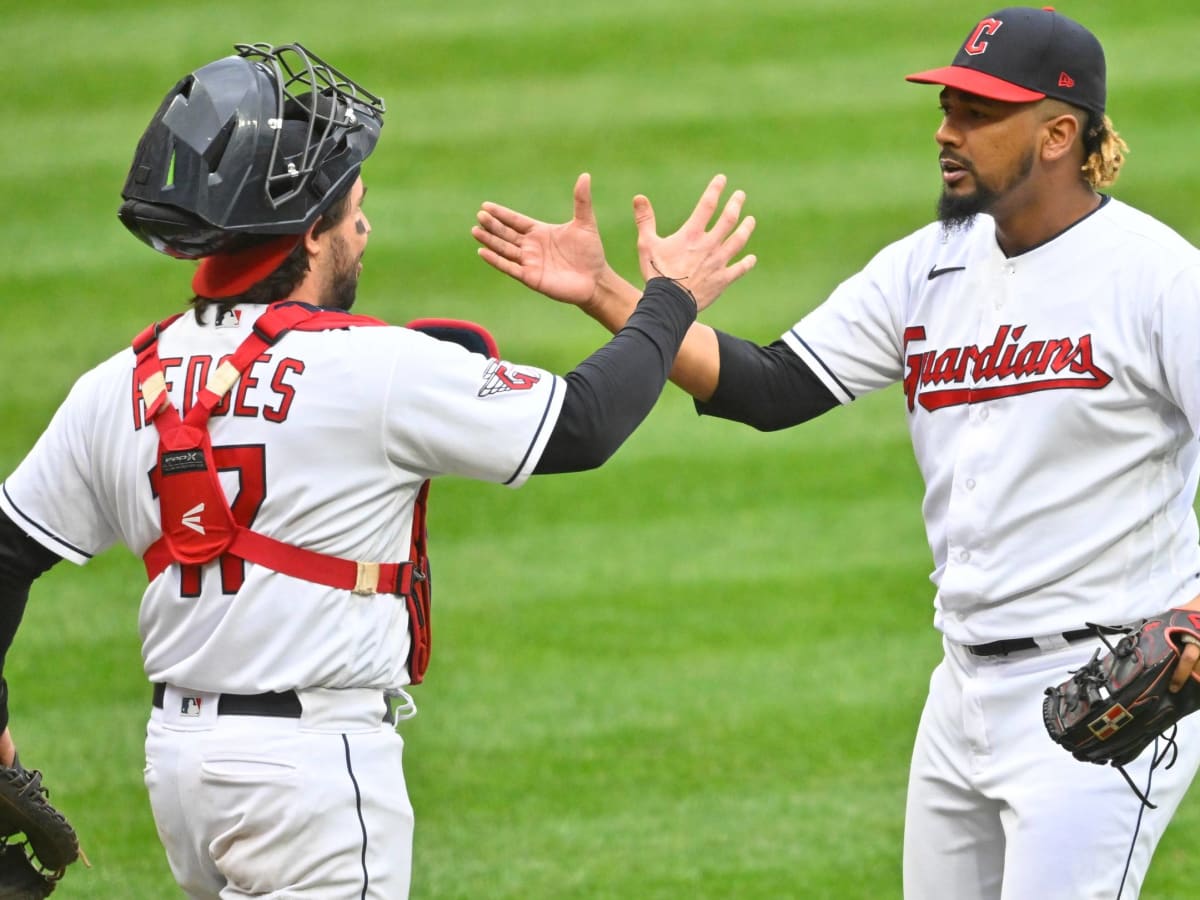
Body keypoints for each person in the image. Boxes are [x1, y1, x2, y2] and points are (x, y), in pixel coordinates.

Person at [472, 7, 1200, 899]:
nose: (945, 130)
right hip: (960, 688)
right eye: (947, 106)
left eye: (976, 113)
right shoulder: (927, 264)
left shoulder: (1159, 280)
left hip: (1104, 690)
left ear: (1057, 133)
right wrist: (609, 295)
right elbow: (773, 387)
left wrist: (1194, 630)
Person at [0, 42, 756, 899]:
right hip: (311, 778)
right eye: (354, 208)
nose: (365, 229)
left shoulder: (122, 381)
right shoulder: (375, 366)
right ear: (310, 230)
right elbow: (583, 424)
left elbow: (3, 556)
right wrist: (669, 299)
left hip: (181, 773)